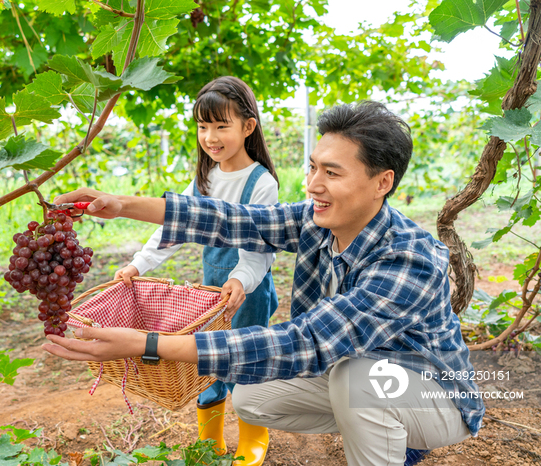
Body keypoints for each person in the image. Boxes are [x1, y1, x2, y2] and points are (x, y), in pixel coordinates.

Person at [44, 101, 485, 466]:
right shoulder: (317, 222)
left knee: (355, 379)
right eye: (313, 168)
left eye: (332, 173)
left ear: (382, 182)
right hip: (360, 376)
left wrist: (148, 343)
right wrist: (120, 204)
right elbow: (230, 219)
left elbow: (305, 343)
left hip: (435, 397)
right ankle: (378, 422)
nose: (313, 185)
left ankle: (402, 439)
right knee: (253, 396)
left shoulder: (408, 259)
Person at [113, 76, 280, 465]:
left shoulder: (261, 183)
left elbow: (259, 249)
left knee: (245, 361)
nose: (211, 136)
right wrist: (139, 263)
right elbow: (173, 227)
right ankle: (211, 439)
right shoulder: (204, 180)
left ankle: (254, 437)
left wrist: (240, 279)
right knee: (207, 363)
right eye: (203, 127)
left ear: (247, 127)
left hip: (248, 293)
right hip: (210, 294)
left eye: (222, 126)